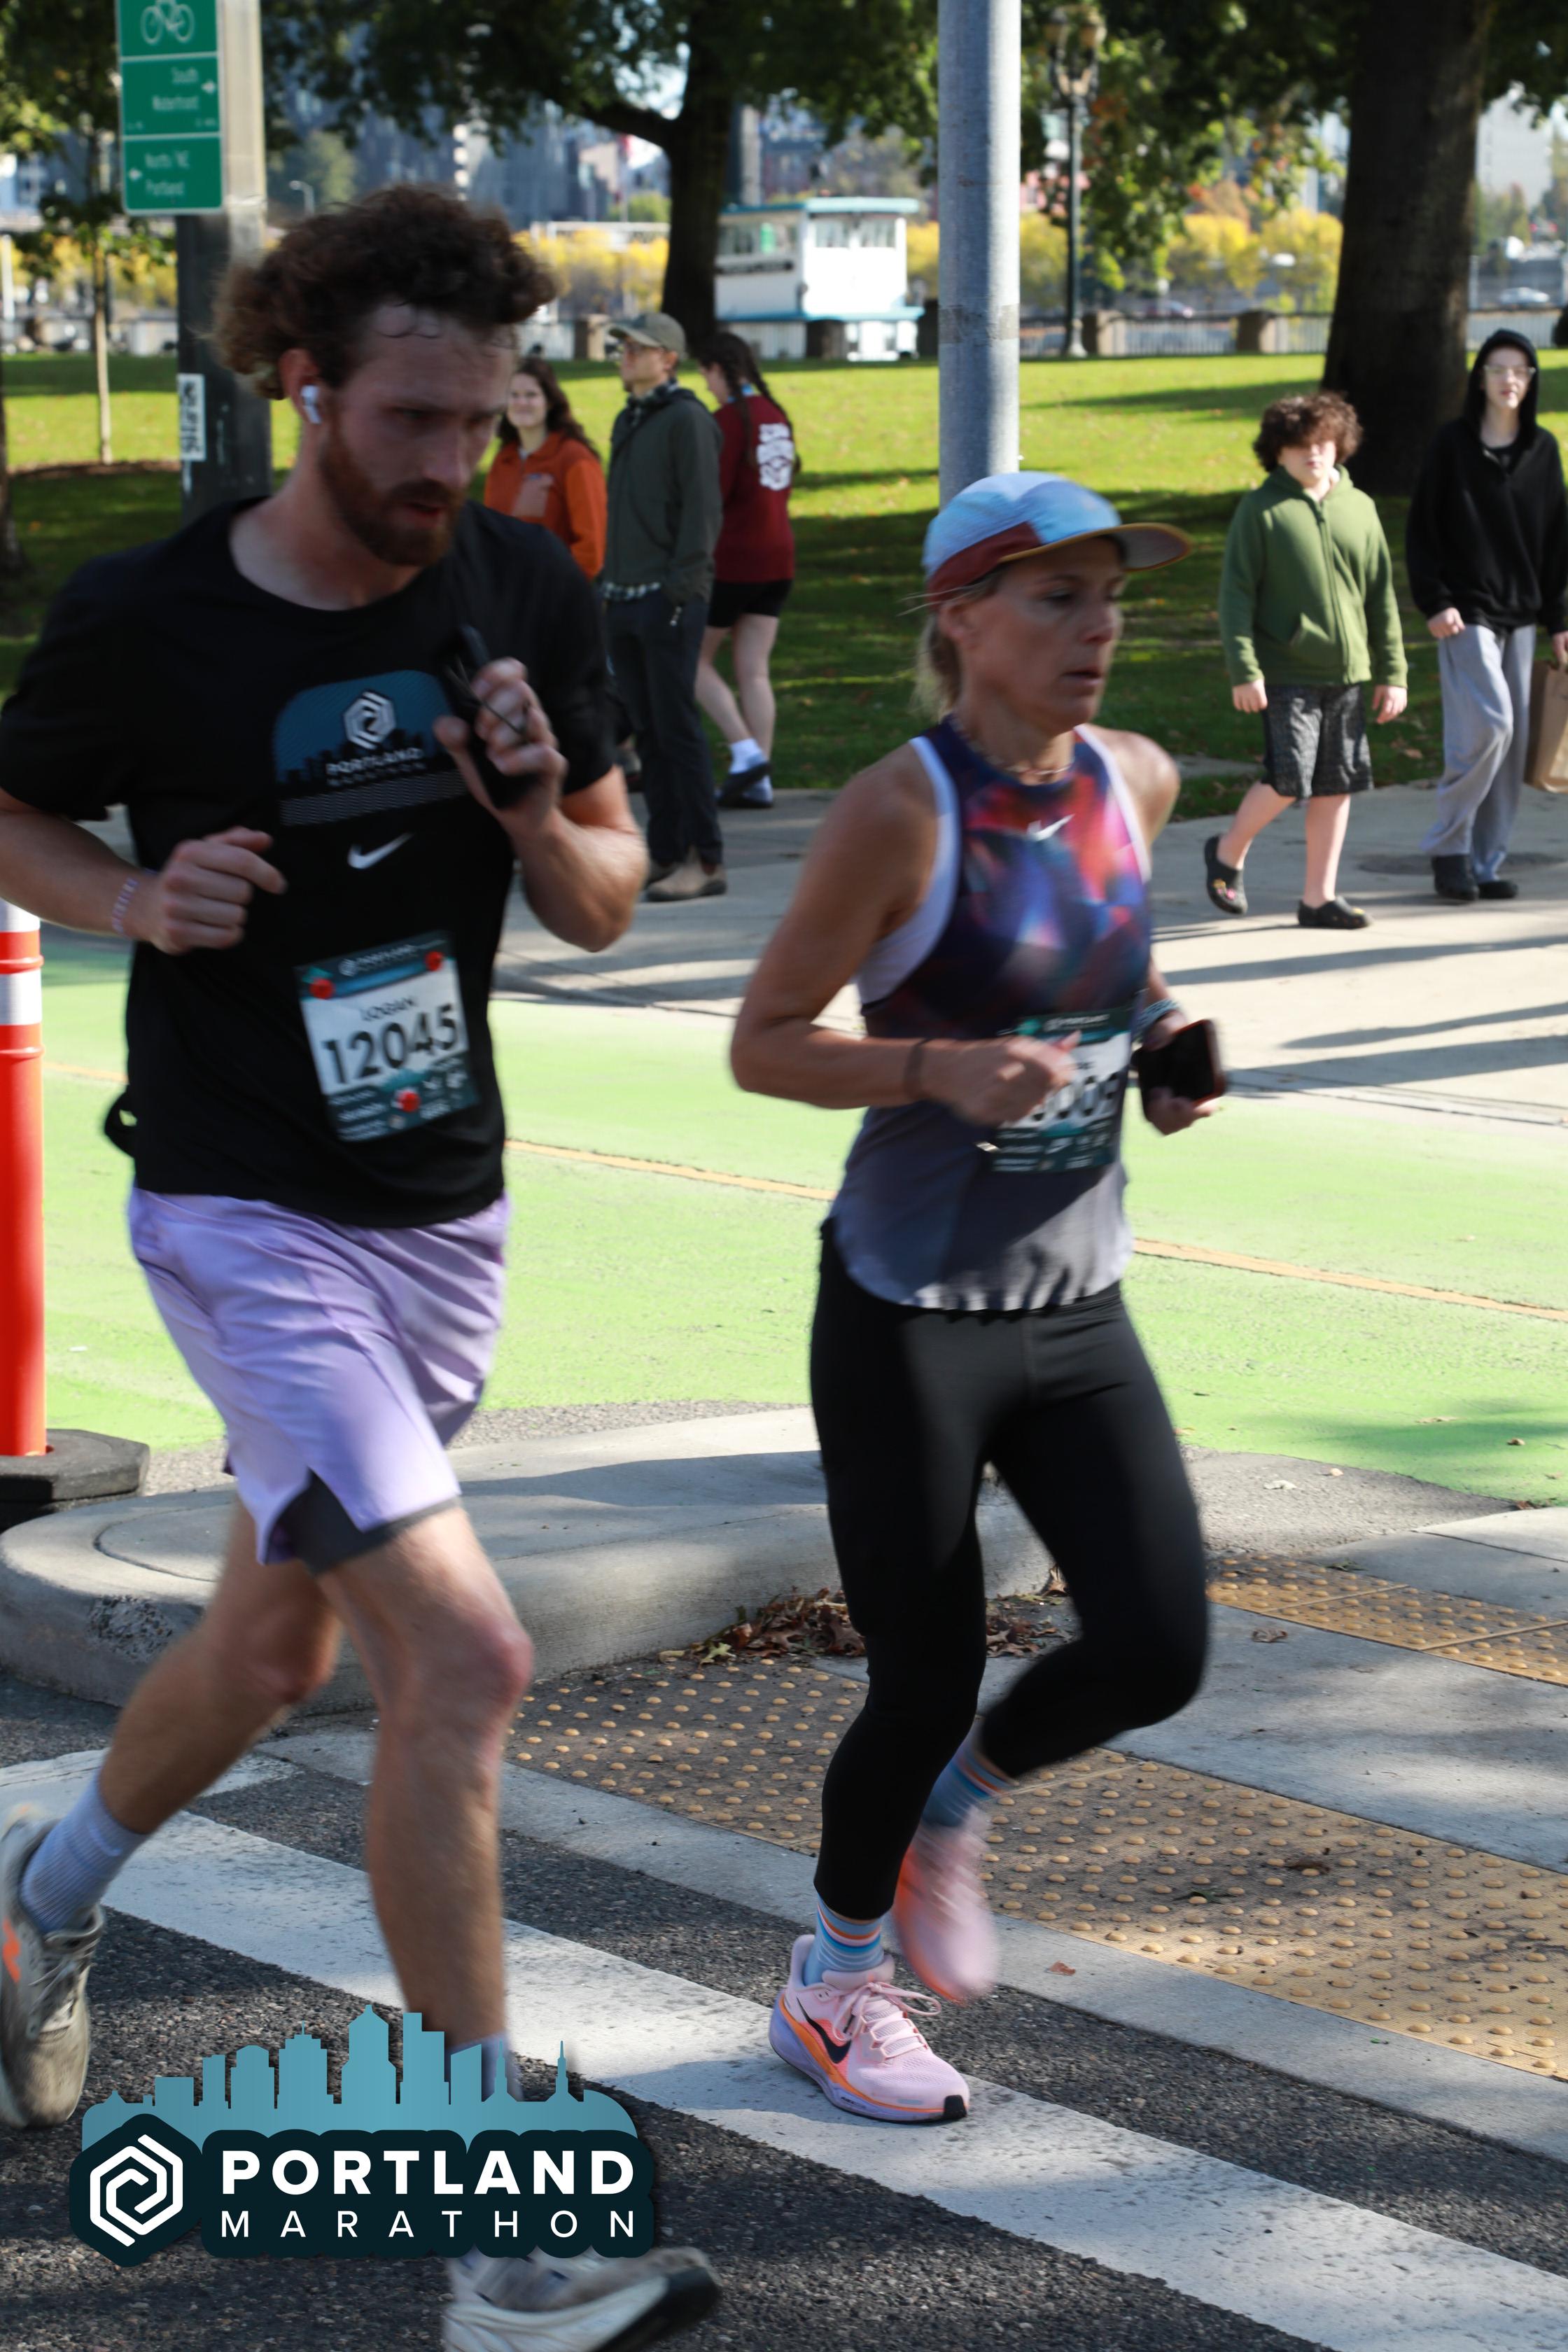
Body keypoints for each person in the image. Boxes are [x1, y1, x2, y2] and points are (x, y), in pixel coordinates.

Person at [0, 187, 718, 2350]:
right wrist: (136, 903)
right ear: (303, 383)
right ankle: (505, 2247)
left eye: (480, 421)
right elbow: (13, 814)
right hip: (240, 1211)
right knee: (462, 1659)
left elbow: (604, 897)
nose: (444, 464)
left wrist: (533, 812)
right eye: (409, 418)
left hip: (440, 1220)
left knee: (271, 1644)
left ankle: (39, 1912)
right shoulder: (152, 618)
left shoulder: (516, 586)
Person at [731, 473, 1212, 2122]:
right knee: (921, 1675)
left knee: (1157, 1646)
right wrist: (933, 1067)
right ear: (960, 619)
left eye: (1111, 596)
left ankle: (955, 1811)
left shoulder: (1136, 779)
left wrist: (1166, 1042)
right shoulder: (901, 812)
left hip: (1077, 1302)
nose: (1098, 629)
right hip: (910, 1313)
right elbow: (764, 1044)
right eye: (1056, 598)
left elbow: (1117, 972)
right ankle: (833, 1987)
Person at [1206, 391, 1408, 930]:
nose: (1313, 453)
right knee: (1289, 778)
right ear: (1277, 452)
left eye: (1322, 442)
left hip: (1348, 673)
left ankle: (1319, 898)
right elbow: (1236, 596)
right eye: (1299, 445)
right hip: (1285, 671)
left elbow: (1381, 596)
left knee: (1336, 783)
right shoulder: (1261, 511)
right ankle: (1228, 849)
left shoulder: (1360, 508)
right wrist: (1244, 669)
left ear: (1340, 444)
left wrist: (1393, 672)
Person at [1406, 330, 1568, 902]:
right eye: (1498, 369)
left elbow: (1557, 544)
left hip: (1521, 613)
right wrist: (1434, 600)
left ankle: (1485, 863)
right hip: (1464, 612)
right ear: (1480, 379)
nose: (1509, 380)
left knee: (1513, 741)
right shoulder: (1451, 445)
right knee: (1489, 725)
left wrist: (1560, 620)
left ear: (1531, 380)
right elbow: (1422, 528)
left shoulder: (1543, 450)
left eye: (1520, 370)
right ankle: (1449, 847)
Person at [601, 312, 725, 902]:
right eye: (623, 346)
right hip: (623, 596)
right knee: (647, 733)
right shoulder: (630, 417)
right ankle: (667, 850)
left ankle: (706, 858)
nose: (625, 355)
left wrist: (677, 593)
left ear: (668, 359)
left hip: (668, 600)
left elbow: (702, 515)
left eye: (638, 348)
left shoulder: (687, 420)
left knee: (677, 731)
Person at [692, 330, 799, 811]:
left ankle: (747, 754)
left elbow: (711, 495)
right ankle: (760, 781)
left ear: (719, 369)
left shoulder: (727, 421)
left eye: (705, 373)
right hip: (779, 558)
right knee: (754, 671)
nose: (706, 384)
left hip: (734, 559)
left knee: (689, 660)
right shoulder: (775, 414)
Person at [484, 354, 608, 582]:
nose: (521, 403)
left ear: (549, 402)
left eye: (531, 395)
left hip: (555, 594)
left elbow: (592, 550)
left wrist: (553, 591)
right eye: (514, 395)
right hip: (504, 592)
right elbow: (488, 535)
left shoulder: (575, 459)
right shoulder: (503, 461)